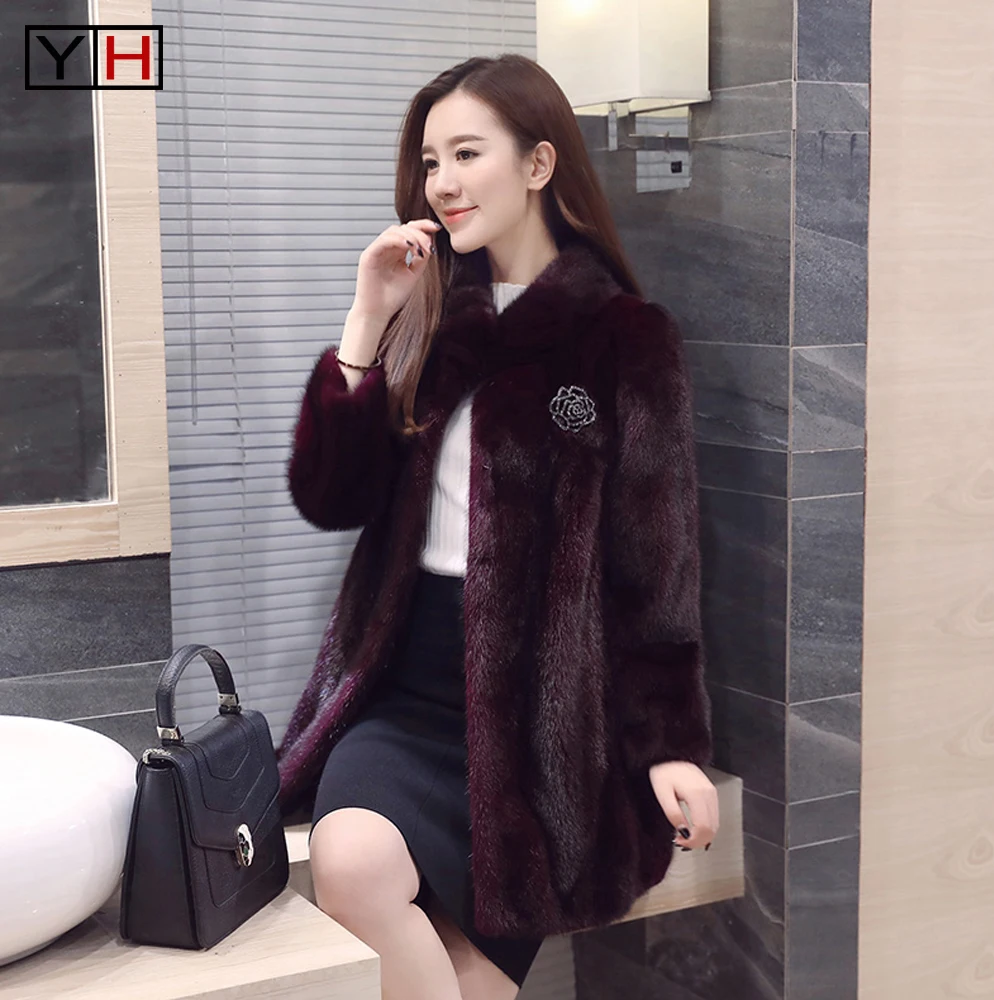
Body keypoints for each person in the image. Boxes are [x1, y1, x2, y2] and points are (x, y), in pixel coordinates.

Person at [275, 53, 720, 1000]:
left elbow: (657, 563)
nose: (442, 182)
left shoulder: (623, 338)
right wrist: (366, 318)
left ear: (539, 163)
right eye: (430, 161)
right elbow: (331, 497)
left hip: (543, 729)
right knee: (350, 864)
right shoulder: (434, 324)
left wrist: (671, 743)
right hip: (405, 702)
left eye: (467, 153)